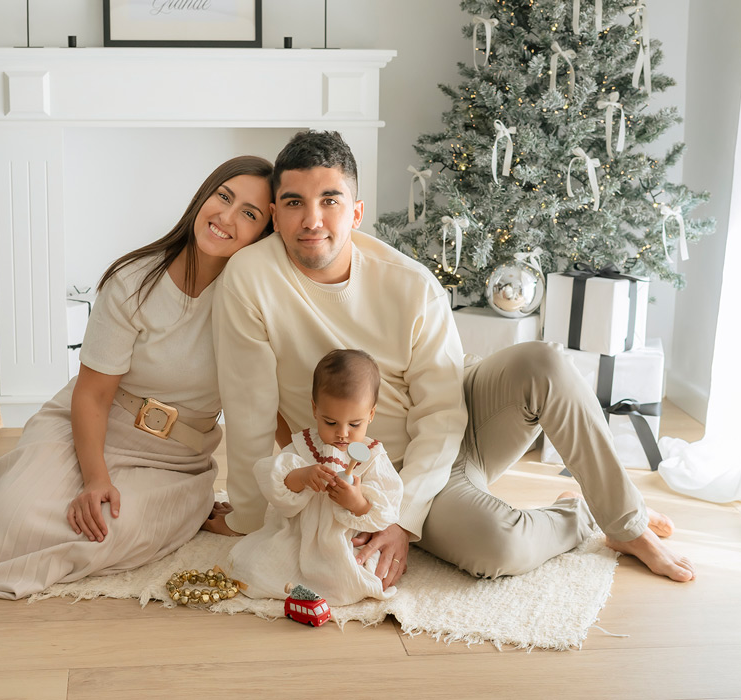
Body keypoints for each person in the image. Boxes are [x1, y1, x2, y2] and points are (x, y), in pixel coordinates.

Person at [210, 130, 696, 586]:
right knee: (499, 547)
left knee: (543, 362)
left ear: (356, 213)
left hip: (458, 426)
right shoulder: (250, 279)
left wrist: (404, 523)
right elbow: (249, 408)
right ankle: (580, 515)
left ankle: (627, 524)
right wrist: (251, 519)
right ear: (275, 213)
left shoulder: (408, 282)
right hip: (383, 467)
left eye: (329, 201)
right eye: (295, 203)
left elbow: (443, 413)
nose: (312, 220)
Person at [0, 155, 275, 600]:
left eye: (249, 213)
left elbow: (271, 404)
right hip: (93, 424)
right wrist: (95, 479)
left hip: (175, 459)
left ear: (264, 233)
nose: (226, 216)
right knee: (7, 519)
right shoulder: (133, 281)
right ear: (203, 197)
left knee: (104, 533)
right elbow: (93, 396)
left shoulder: (255, 303)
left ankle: (177, 511)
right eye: (223, 196)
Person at [226, 349, 403, 606]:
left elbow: (387, 508)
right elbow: (274, 480)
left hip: (342, 539)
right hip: (297, 535)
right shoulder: (304, 445)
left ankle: (331, 583)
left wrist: (357, 503)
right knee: (256, 566)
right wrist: (303, 477)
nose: (342, 434)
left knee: (355, 577)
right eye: (330, 422)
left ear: (371, 415)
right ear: (315, 409)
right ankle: (289, 578)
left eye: (354, 424)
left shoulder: (373, 456)